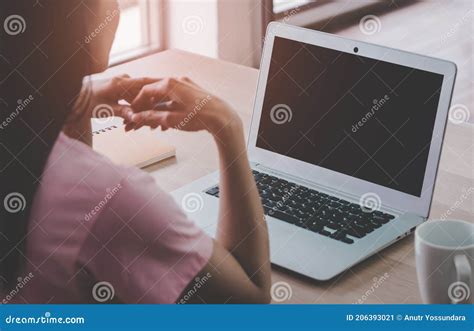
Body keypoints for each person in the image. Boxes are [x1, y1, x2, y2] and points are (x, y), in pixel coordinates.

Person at [0, 0, 270, 303]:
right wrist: (227, 126)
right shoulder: (109, 198)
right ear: (83, 21)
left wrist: (72, 101)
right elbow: (250, 304)